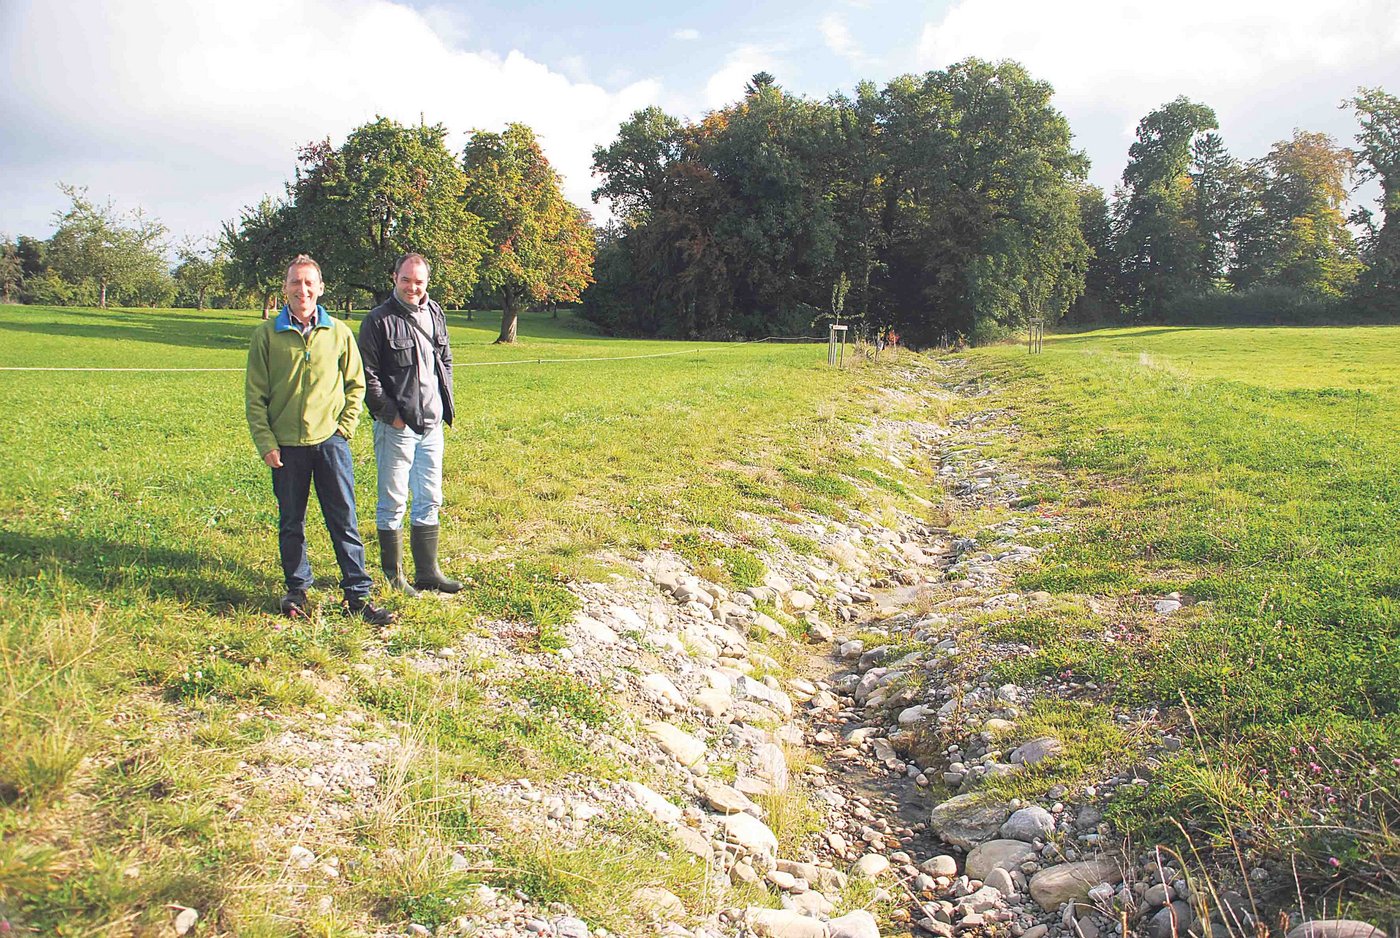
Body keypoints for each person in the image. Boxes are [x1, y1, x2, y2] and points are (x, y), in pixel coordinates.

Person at [245, 254, 394, 625]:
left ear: (321, 288)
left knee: (343, 519)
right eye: (295, 282)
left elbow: (356, 384)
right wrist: (267, 442)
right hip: (286, 447)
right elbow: (255, 397)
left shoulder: (339, 333)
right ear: (285, 288)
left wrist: (344, 429)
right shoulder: (266, 335)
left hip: (331, 443)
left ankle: (357, 595)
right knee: (291, 521)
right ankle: (297, 591)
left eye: (309, 282)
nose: (303, 289)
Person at [357, 253, 463, 595]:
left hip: (432, 426)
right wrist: (393, 416)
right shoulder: (378, 320)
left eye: (419, 281)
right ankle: (394, 576)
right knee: (393, 501)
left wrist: (442, 403)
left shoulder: (435, 313)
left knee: (430, 497)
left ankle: (428, 572)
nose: (412, 287)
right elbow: (367, 376)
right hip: (398, 429)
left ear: (427, 282)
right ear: (394, 277)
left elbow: (444, 359)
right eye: (406, 280)